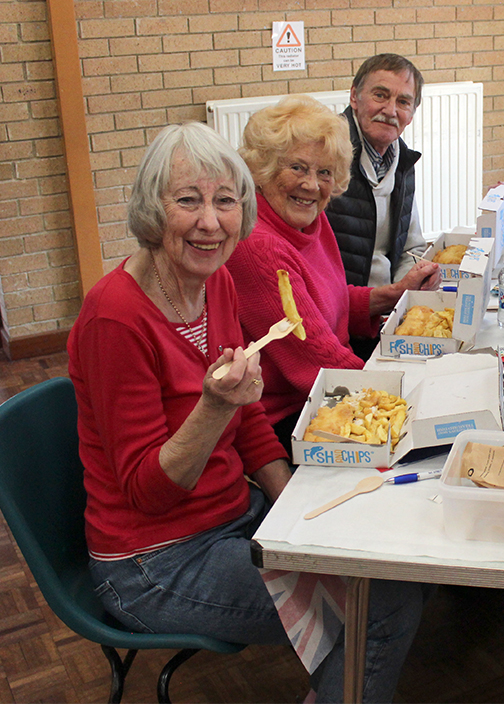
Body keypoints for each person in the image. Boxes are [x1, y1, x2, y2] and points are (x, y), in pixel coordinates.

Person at [68, 122, 425, 702]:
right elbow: (148, 493)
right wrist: (213, 407)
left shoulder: (214, 283)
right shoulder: (116, 318)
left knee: (389, 556)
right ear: (152, 209)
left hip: (235, 513)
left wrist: (295, 515)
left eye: (225, 201)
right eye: (188, 200)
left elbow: (250, 418)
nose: (210, 221)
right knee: (382, 601)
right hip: (156, 561)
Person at [227, 95, 440, 450]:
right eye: (297, 168)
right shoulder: (258, 246)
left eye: (324, 172)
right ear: (263, 169)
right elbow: (315, 353)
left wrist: (397, 291)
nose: (312, 185)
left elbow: (331, 301)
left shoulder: (310, 218)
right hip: (296, 417)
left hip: (334, 389)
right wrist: (407, 391)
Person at [325, 53, 434, 289]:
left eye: (403, 102)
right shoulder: (324, 155)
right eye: (380, 95)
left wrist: (409, 288)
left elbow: (411, 248)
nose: (390, 110)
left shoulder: (402, 161)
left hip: (384, 305)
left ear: (412, 115)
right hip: (340, 308)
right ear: (354, 96)